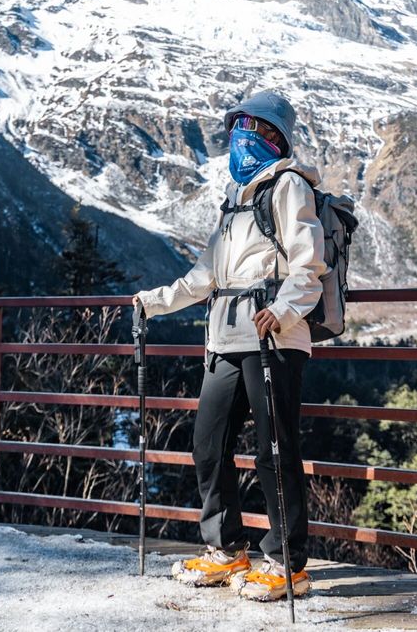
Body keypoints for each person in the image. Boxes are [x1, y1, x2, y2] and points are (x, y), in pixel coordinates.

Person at [133, 89, 326, 602]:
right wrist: (153, 303)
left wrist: (283, 311)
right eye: (238, 125)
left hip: (273, 337)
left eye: (253, 126)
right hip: (224, 338)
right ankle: (226, 549)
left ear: (276, 136)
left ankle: (287, 564)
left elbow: (309, 266)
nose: (242, 134)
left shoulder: (288, 186)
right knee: (208, 443)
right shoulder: (234, 201)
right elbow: (205, 277)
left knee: (274, 450)